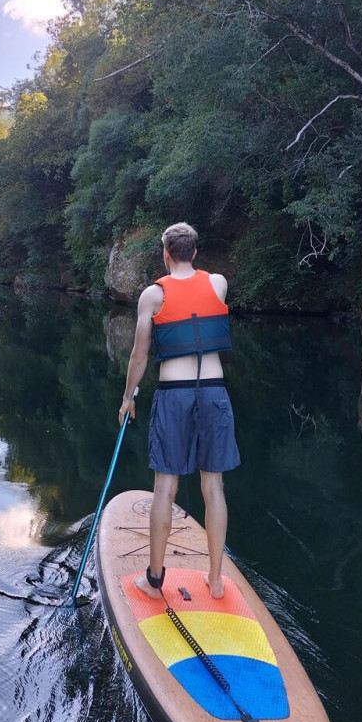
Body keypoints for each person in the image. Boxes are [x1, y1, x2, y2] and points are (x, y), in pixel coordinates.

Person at [118, 222, 240, 600]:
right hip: (215, 394)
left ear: (165, 253)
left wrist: (127, 398)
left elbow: (139, 355)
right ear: (195, 252)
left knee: (165, 488)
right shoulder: (217, 283)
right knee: (213, 486)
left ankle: (155, 581)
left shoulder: (152, 296)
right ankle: (216, 580)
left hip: (174, 395)